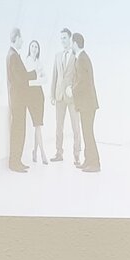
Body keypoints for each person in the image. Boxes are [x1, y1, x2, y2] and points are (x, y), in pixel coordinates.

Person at [71, 29, 99, 172]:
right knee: (87, 132)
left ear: (75, 43)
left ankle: (94, 164)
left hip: (87, 104)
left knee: (88, 133)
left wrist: (72, 90)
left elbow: (82, 81)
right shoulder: (82, 57)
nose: (71, 45)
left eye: (71, 42)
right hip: (87, 104)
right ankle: (88, 161)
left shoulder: (82, 59)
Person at [4, 27, 30, 173]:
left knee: (19, 131)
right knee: (18, 131)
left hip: (17, 100)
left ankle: (17, 161)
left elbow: (21, 76)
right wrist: (33, 75)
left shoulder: (12, 54)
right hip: (18, 100)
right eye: (21, 38)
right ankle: (14, 163)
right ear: (17, 38)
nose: (23, 41)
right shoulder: (13, 56)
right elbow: (20, 78)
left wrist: (30, 75)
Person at [23, 38, 48, 166]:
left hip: (39, 95)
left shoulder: (39, 62)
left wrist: (36, 79)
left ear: (38, 50)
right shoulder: (26, 62)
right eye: (32, 46)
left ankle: (35, 152)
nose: (34, 49)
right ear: (29, 48)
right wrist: (37, 78)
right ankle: (42, 152)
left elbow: (45, 80)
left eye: (36, 47)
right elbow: (26, 82)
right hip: (31, 96)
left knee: (38, 125)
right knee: (37, 125)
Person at [54, 25, 76, 164]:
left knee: (76, 127)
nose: (62, 40)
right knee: (58, 126)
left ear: (70, 39)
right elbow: (54, 76)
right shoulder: (57, 56)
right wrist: (52, 94)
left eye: (64, 38)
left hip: (72, 97)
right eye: (61, 38)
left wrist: (73, 89)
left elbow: (78, 76)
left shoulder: (75, 55)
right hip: (59, 96)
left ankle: (77, 156)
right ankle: (58, 153)